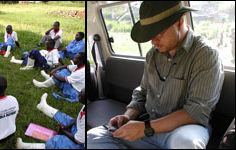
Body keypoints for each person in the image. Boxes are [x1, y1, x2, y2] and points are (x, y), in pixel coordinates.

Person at [87, 2, 224, 149]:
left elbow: (197, 111)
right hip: (150, 124)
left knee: (186, 144)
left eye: (159, 33)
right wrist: (127, 116)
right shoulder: (152, 55)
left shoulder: (205, 55)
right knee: (93, 137)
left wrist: (144, 128)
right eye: (150, 34)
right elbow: (143, 92)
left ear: (180, 22)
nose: (153, 41)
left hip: (184, 128)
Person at [16, 89, 85, 149]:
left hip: (82, 144)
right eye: (80, 91)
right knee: (65, 118)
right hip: (78, 129)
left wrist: (63, 131)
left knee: (58, 142)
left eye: (81, 94)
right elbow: (77, 120)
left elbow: (78, 140)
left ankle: (25, 147)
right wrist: (65, 127)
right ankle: (44, 107)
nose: (78, 94)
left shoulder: (87, 122)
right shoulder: (85, 106)